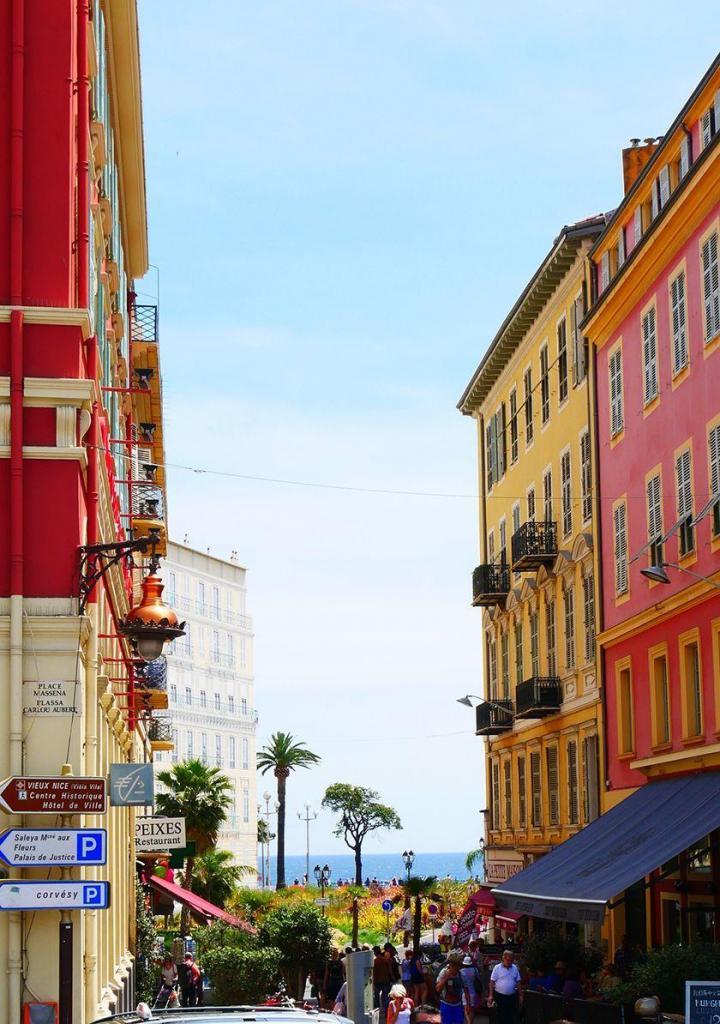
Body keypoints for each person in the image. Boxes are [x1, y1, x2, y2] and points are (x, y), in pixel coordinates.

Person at [488, 950, 521, 1024]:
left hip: (511, 997)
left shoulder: (514, 967)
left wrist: (521, 995)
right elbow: (491, 982)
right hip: (500, 996)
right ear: (504, 958)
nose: (510, 962)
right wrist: (490, 995)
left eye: (512, 960)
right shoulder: (497, 968)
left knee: (511, 1016)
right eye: (509, 960)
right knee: (500, 1016)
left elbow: (518, 982)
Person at [436, 953, 465, 1024]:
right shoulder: (444, 972)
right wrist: (447, 977)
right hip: (446, 1005)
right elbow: (437, 988)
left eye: (459, 965)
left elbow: (465, 989)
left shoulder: (460, 973)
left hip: (458, 1004)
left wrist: (466, 1004)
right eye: (454, 966)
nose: (457, 968)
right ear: (451, 965)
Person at [460, 954, 482, 1024]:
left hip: (464, 992)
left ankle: (468, 1023)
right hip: (473, 992)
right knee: (472, 1009)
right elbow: (478, 978)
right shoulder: (475, 970)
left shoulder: (461, 971)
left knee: (466, 1009)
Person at [374, 946, 393, 1013]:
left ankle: (378, 1008)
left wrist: (373, 981)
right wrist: (392, 978)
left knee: (376, 995)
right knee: (385, 996)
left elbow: (374, 972)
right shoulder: (385, 960)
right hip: (386, 980)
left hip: (378, 981)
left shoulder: (375, 961)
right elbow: (389, 970)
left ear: (375, 952)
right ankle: (386, 1009)